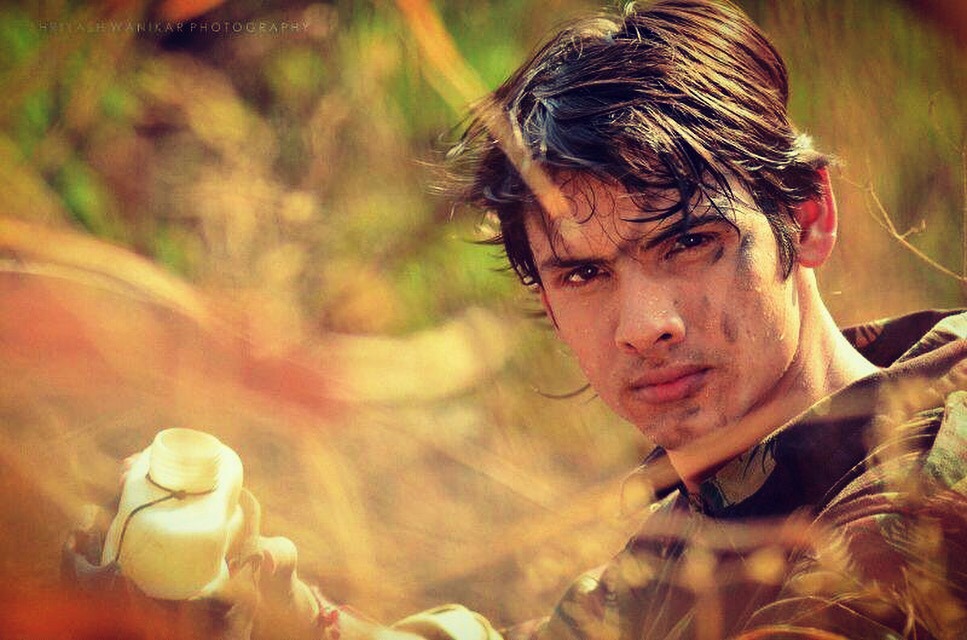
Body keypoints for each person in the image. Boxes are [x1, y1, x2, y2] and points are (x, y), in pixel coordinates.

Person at [63, 0, 967, 638]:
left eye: (690, 242)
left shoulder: (928, 497)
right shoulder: (721, 510)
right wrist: (252, 597)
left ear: (806, 217)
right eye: (583, 273)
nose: (642, 324)